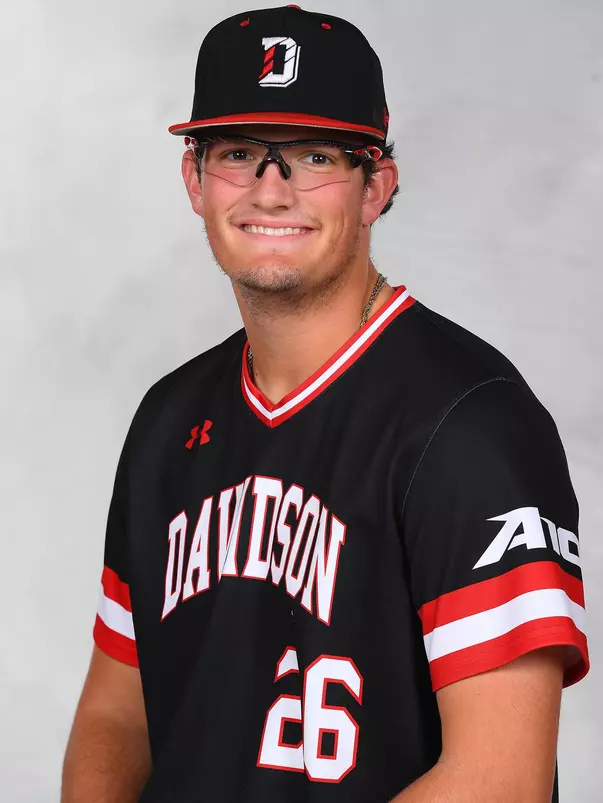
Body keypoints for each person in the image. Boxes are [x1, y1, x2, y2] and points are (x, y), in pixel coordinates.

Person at [61, 5, 590, 802]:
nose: (271, 190)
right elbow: (116, 714)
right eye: (239, 153)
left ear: (376, 185)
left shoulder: (471, 423)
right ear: (194, 181)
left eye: (313, 156)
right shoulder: (168, 419)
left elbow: (499, 778)